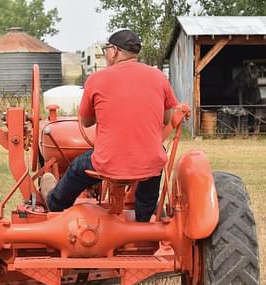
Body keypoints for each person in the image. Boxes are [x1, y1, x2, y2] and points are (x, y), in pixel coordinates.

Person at [41, 29, 178, 222]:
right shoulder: (159, 77)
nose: (106, 54)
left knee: (78, 166)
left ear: (114, 51)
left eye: (106, 49)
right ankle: (144, 221)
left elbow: (87, 122)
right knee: (154, 164)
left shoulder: (97, 79)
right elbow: (167, 118)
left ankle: (55, 204)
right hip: (150, 162)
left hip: (109, 162)